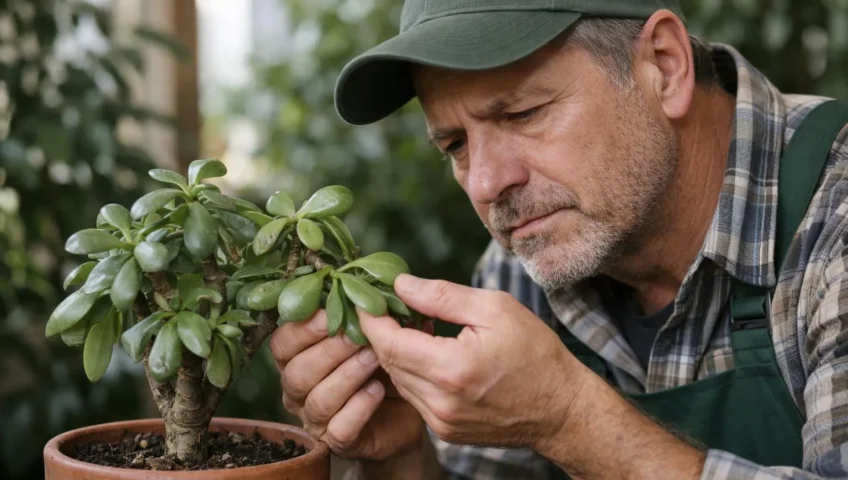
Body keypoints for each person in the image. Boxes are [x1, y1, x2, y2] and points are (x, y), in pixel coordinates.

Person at [270, 0, 848, 478]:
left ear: (665, 67)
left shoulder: (834, 216)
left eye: (523, 113)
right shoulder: (522, 262)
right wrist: (401, 458)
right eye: (454, 145)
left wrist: (568, 417)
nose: (489, 183)